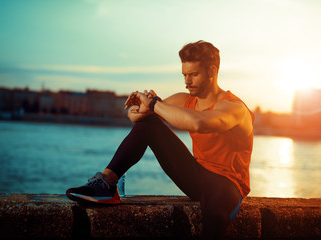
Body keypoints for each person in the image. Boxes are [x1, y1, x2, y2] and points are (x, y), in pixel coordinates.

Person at [66, 40, 254, 239]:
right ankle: (107, 184)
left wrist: (154, 105)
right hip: (195, 176)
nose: (187, 81)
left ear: (212, 71)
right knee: (150, 125)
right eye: (184, 75)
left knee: (214, 218)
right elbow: (137, 117)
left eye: (193, 75)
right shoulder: (185, 100)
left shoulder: (234, 108)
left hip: (226, 185)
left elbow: (198, 122)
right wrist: (140, 104)